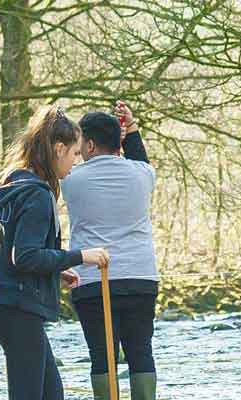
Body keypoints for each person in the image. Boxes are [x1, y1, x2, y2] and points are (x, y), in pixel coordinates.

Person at [0, 108, 111, 400]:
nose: (76, 162)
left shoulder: (13, 183)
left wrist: (55, 268)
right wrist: (80, 256)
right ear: (59, 148)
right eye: (75, 154)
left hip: (5, 306)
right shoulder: (38, 194)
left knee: (52, 394)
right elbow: (26, 257)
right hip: (19, 311)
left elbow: (15, 254)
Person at [63, 102, 159, 399]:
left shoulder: (70, 180)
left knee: (102, 356)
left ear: (89, 144)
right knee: (140, 351)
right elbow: (139, 158)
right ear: (118, 143)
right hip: (140, 277)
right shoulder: (144, 175)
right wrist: (131, 130)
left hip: (93, 279)